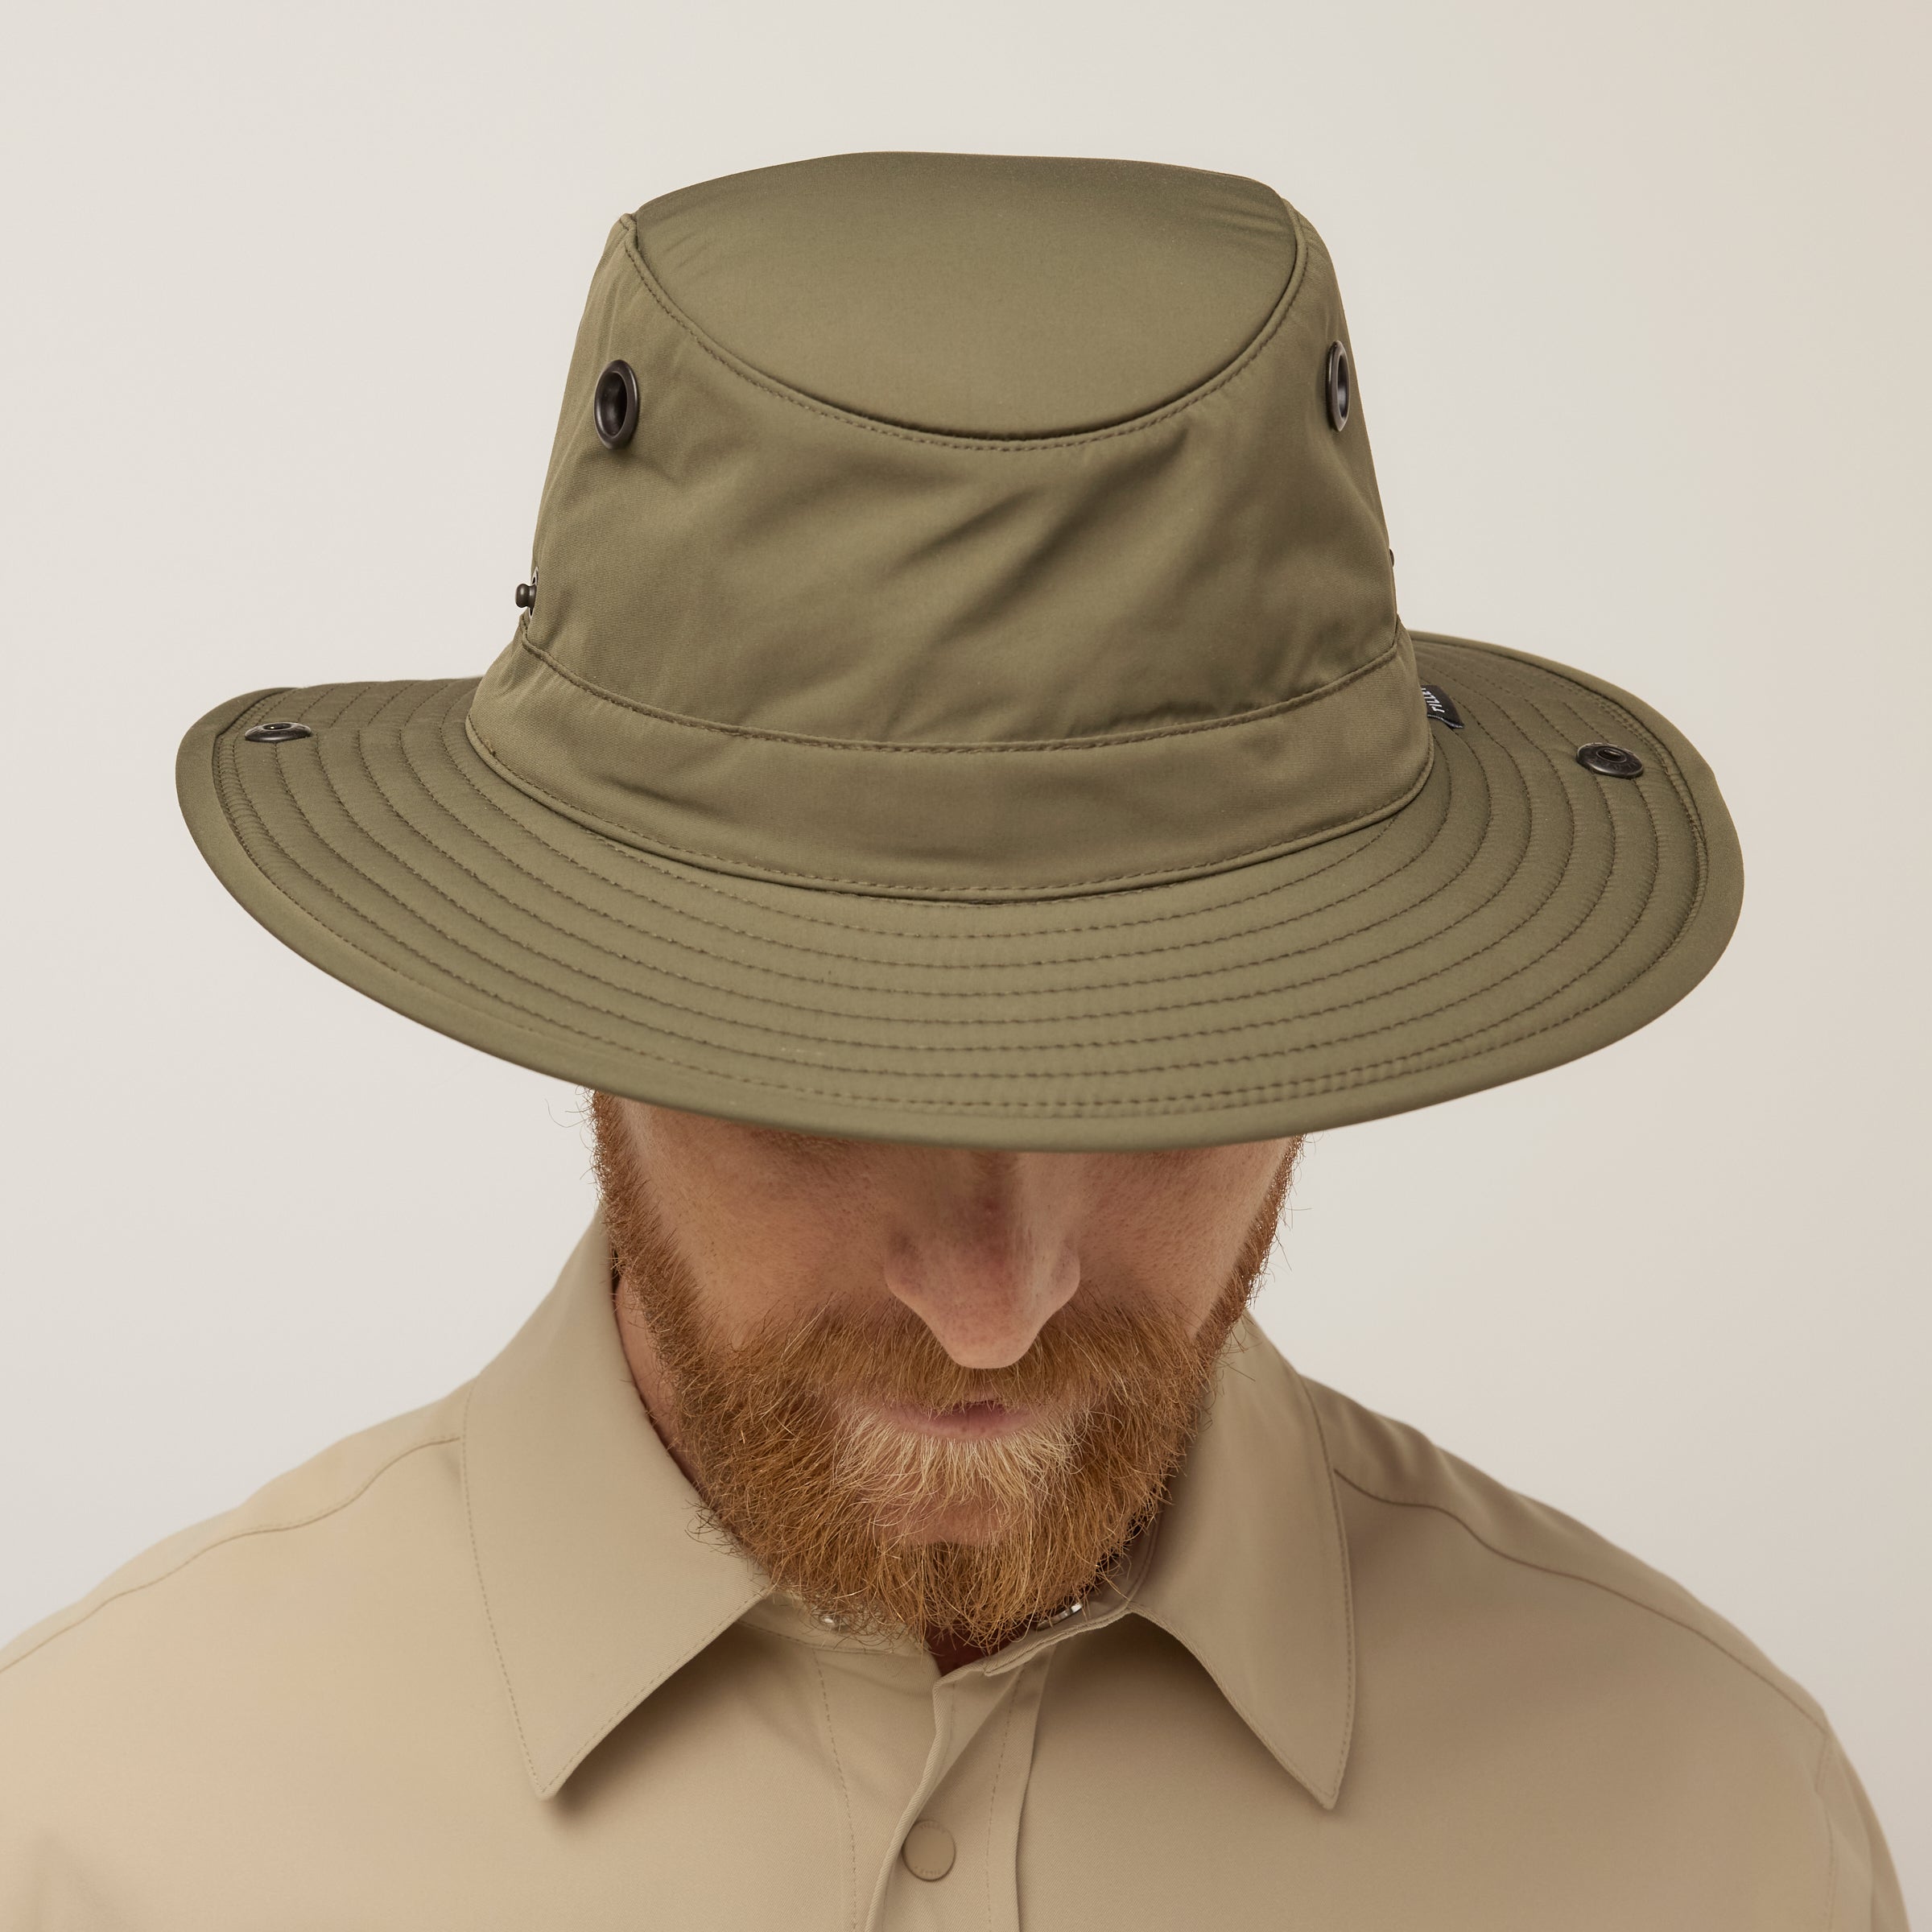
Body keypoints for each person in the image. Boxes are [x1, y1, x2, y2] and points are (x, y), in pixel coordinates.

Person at [0, 151, 1904, 1929]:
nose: (993, 1310)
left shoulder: (1710, 1831)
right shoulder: (96, 1831)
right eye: (828, 1091)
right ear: (588, 1017)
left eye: (1166, 1087)